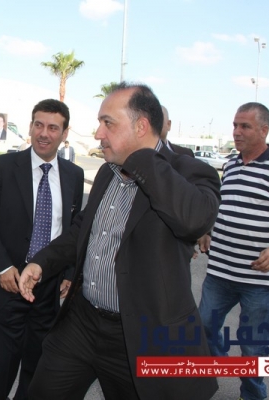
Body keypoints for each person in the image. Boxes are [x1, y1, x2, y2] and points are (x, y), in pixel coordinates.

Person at [18, 83, 220, 400]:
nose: (98, 133)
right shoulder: (107, 173)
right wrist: (42, 262)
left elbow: (195, 219)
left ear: (141, 127)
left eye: (108, 123)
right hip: (82, 323)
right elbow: (83, 230)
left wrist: (141, 157)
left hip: (139, 336)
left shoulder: (190, 172)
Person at [0, 99, 85, 400]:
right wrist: (3, 268)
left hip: (49, 288)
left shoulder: (74, 175)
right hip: (9, 284)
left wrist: (69, 273)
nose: (44, 133)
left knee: (37, 366)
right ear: (31, 127)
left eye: (53, 127)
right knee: (3, 367)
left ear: (65, 133)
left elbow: (73, 231)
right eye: (38, 125)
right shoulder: (3, 167)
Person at [197, 102, 269, 400]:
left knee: (253, 345)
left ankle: (252, 393)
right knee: (204, 327)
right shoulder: (231, 165)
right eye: (235, 125)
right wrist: (207, 230)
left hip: (260, 279)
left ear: (264, 130)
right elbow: (225, 207)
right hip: (220, 271)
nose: (236, 132)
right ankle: (218, 367)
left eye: (245, 126)